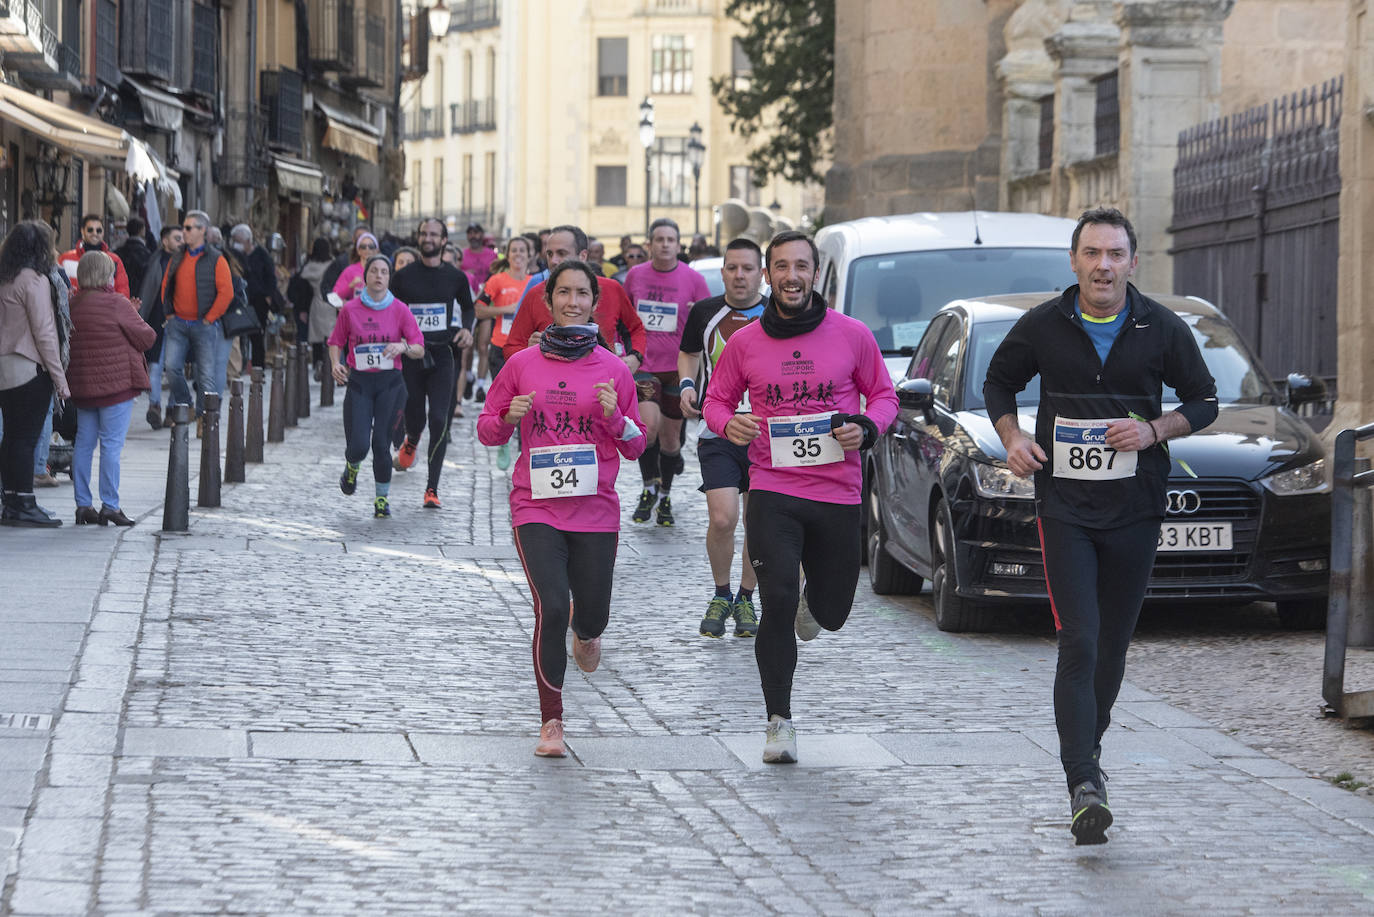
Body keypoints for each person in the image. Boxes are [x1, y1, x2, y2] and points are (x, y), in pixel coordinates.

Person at [982, 207, 1218, 845]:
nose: (1103, 266)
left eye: (1115, 254)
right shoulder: (1044, 326)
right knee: (1079, 641)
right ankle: (1083, 780)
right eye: (1092, 254)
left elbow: (1204, 400)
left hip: (1136, 509)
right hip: (1065, 510)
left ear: (1132, 263)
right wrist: (1011, 438)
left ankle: (1088, 748)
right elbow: (999, 382)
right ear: (1075, 261)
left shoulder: (1160, 327)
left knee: (1112, 646)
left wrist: (1152, 429)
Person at [701, 230, 898, 765]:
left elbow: (884, 396)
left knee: (830, 614)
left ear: (816, 274)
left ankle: (818, 604)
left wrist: (866, 425)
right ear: (768, 275)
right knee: (777, 598)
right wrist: (730, 423)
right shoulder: (744, 344)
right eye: (781, 266)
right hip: (774, 488)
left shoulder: (852, 335)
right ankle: (779, 722)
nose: (791, 276)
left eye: (801, 266)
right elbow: (714, 401)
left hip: (837, 493)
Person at [476, 259, 647, 757]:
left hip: (595, 512)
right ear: (547, 302)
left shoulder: (614, 369)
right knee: (551, 606)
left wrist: (616, 418)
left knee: (590, 614)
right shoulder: (521, 365)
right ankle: (552, 720)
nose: (573, 302)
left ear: (596, 303)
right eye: (563, 293)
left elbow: (636, 446)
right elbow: (487, 430)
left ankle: (588, 633)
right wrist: (508, 416)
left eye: (582, 294)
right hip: (537, 508)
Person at [679, 238, 767, 639]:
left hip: (768, 434)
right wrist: (686, 385)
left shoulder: (777, 314)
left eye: (747, 268)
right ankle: (721, 592)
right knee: (723, 517)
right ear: (723, 271)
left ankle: (746, 599)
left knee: (756, 521)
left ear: (761, 273)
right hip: (718, 426)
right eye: (732, 267)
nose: (739, 275)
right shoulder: (705, 312)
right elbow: (689, 354)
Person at [623, 218, 710, 527]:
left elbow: (706, 321)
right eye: (658, 239)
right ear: (650, 244)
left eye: (670, 239)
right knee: (647, 431)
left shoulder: (693, 279)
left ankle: (665, 496)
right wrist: (626, 350)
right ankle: (648, 488)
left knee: (671, 441)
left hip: (677, 368)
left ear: (678, 244)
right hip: (644, 365)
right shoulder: (635, 276)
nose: (664, 244)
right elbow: (624, 317)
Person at [328, 254, 424, 519]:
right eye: (374, 271)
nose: (379, 276)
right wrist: (336, 364)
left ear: (389, 277)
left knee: (381, 444)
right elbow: (335, 341)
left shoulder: (400, 309)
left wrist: (402, 346)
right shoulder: (350, 309)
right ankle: (352, 467)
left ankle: (381, 499)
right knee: (358, 445)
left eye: (384, 272)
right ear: (366, 276)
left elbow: (418, 347)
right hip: (359, 383)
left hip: (389, 385)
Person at [389, 218, 475, 508]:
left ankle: (432, 488)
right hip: (411, 355)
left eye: (433, 234)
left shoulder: (455, 277)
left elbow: (469, 306)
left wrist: (466, 329)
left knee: (439, 419)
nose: (427, 238)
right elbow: (392, 309)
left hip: (442, 354)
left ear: (443, 240)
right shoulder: (402, 277)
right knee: (416, 417)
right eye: (423, 233)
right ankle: (412, 440)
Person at [66, 252, 155, 527]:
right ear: (107, 274)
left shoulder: (72, 303)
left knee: (83, 443)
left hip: (83, 386)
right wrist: (133, 314)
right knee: (111, 446)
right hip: (115, 387)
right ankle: (110, 506)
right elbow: (147, 337)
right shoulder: (117, 302)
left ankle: (83, 505)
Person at [500, 225, 646, 377]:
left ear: (583, 256)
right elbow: (511, 347)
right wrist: (529, 352)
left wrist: (635, 357)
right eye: (550, 254)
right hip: (550, 388)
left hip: (601, 386)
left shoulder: (612, 289)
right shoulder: (535, 294)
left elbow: (636, 329)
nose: (554, 261)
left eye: (561, 253)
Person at [0, 221, 71, 527]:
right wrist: (60, 379)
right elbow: (44, 334)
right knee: (25, 439)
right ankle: (24, 504)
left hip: (4, 366)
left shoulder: (5, 278)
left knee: (12, 439)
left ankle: (12, 501)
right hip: (29, 367)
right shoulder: (35, 280)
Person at [159, 210, 233, 416]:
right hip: (178, 323)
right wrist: (169, 314)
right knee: (172, 368)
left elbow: (226, 292)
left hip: (203, 325)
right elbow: (166, 284)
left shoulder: (216, 259)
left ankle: (204, 418)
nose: (184, 232)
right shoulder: (178, 256)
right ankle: (186, 404)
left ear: (203, 231)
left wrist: (210, 319)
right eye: (184, 227)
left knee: (206, 375)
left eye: (189, 228)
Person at [475, 235, 532, 470]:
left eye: (522, 250)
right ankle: (503, 440)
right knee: (506, 399)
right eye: (514, 250)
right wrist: (505, 309)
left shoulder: (535, 282)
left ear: (530, 255)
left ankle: (523, 448)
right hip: (501, 348)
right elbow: (479, 310)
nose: (518, 254)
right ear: (507, 255)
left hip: (527, 350)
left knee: (527, 400)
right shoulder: (497, 281)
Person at [137, 224, 183, 429]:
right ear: (165, 241)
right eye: (177, 238)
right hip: (157, 320)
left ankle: (172, 409)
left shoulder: (187, 262)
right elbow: (147, 292)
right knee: (155, 366)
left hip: (181, 322)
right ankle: (154, 405)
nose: (181, 241)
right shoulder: (154, 261)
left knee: (175, 368)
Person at [227, 223, 286, 371]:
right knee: (239, 333)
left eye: (238, 241)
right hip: (240, 300)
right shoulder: (235, 255)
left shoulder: (262, 254)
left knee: (257, 335)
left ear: (247, 240)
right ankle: (239, 365)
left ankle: (258, 367)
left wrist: (267, 296)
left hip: (258, 300)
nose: (236, 244)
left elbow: (271, 277)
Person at [290, 238, 335, 373]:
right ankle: (332, 363)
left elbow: (301, 289)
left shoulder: (309, 267)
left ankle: (318, 364)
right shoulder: (333, 265)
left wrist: (302, 309)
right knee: (332, 337)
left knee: (316, 337)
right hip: (332, 304)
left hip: (316, 303)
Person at [58, 214, 130, 297]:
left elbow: (122, 290)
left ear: (103, 232)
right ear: (82, 231)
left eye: (98, 230)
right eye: (90, 230)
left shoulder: (114, 260)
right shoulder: (65, 258)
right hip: (74, 309)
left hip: (105, 308)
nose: (94, 233)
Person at [330, 232, 380, 306]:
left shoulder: (383, 271)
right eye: (363, 246)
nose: (367, 249)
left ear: (376, 250)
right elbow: (334, 297)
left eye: (371, 246)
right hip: (356, 315)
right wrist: (351, 285)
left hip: (377, 315)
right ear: (358, 251)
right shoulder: (350, 271)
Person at [322, 224, 370, 296]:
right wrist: (340, 303)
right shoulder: (342, 262)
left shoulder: (378, 264)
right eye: (359, 237)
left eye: (366, 238)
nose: (363, 241)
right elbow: (327, 288)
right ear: (353, 239)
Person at [114, 217, 151, 304]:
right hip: (139, 298)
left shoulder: (118, 252)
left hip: (120, 297)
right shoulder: (146, 254)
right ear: (142, 230)